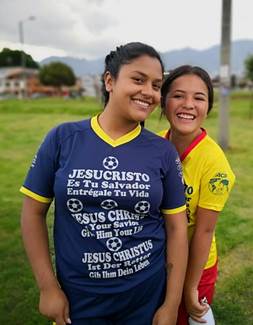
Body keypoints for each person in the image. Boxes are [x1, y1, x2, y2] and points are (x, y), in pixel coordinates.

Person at [20, 42, 188, 325]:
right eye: (138, 79)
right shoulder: (63, 139)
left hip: (145, 300)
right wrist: (48, 288)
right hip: (79, 302)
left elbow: (177, 228)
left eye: (156, 85)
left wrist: (171, 305)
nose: (148, 92)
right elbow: (32, 213)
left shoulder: (163, 151)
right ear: (109, 81)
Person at [159, 65, 235, 324]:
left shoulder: (215, 163)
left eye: (199, 97)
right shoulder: (153, 147)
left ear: (208, 107)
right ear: (164, 101)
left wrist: (190, 286)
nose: (188, 104)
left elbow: (204, 231)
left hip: (195, 267)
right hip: (157, 260)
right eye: (178, 95)